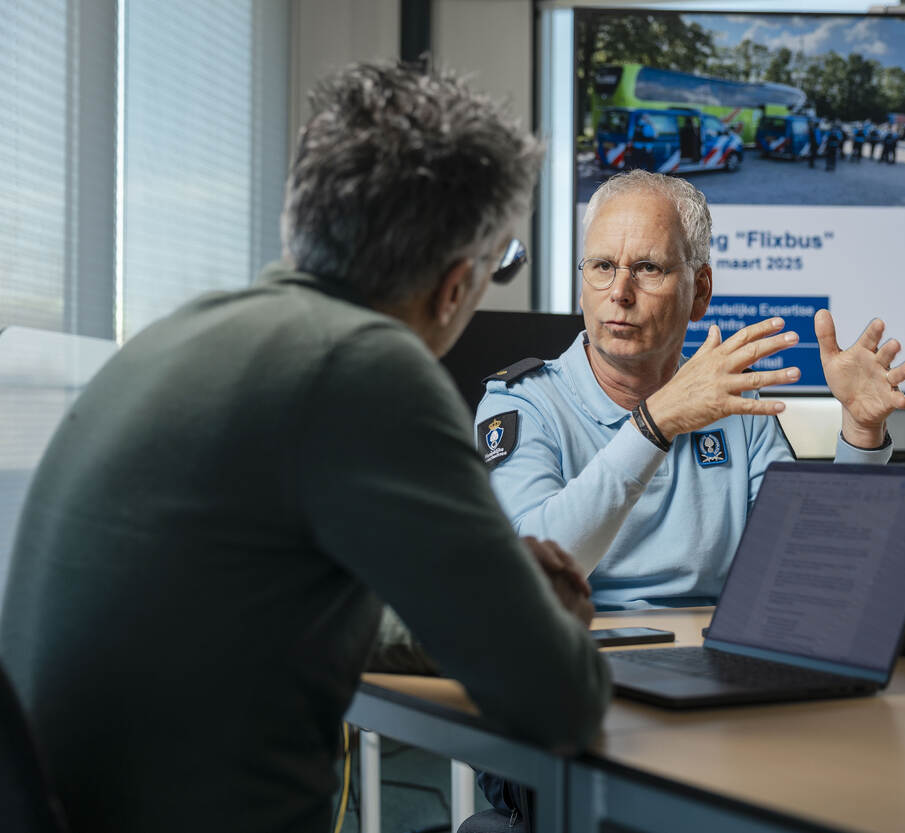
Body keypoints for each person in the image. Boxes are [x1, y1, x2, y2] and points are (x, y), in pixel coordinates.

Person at [0, 62, 610, 833]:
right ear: (456, 286)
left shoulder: (177, 336)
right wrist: (549, 621)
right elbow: (559, 700)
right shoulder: (364, 364)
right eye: (501, 265)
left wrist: (488, 601)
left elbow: (281, 604)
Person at [471, 168, 905, 823]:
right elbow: (531, 569)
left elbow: (817, 578)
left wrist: (861, 431)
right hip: (575, 700)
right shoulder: (522, 406)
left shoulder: (733, 409)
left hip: (715, 695)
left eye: (647, 267)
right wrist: (657, 423)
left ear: (700, 290)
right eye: (600, 266)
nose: (618, 292)